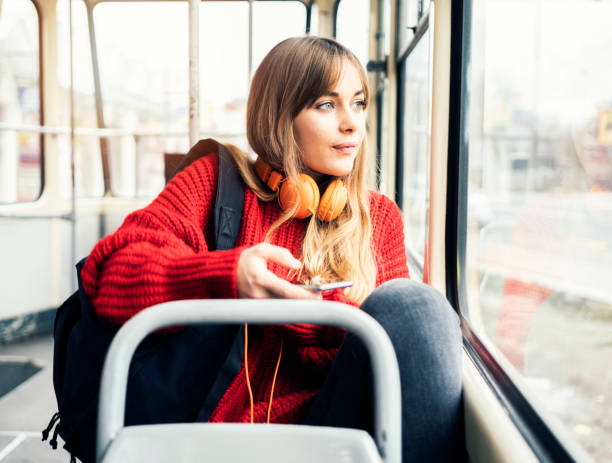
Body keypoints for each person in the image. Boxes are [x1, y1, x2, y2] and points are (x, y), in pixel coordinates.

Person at [81, 36, 463, 462]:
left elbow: (392, 351)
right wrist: (228, 276)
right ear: (281, 116)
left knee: (416, 306)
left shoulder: (379, 218)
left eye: (358, 103)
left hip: (334, 425)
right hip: (215, 428)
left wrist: (308, 312)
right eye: (326, 105)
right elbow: (114, 272)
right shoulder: (215, 184)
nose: (352, 123)